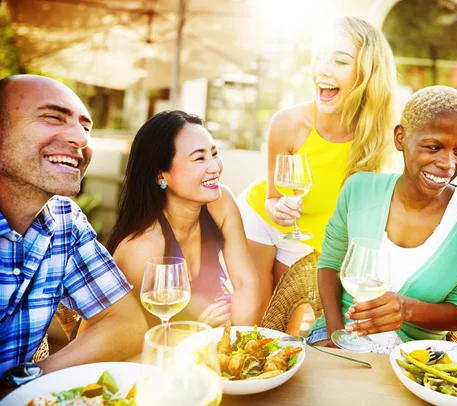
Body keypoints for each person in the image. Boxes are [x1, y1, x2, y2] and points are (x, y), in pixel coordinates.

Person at [238, 16, 398, 332]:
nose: (322, 70)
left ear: (366, 74)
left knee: (294, 334)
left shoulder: (382, 136)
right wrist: (278, 208)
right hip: (267, 223)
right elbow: (272, 197)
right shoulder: (288, 124)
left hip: (321, 240)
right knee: (257, 321)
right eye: (318, 58)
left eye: (340, 61)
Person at [310, 86, 457, 353]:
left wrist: (407, 310)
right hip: (338, 330)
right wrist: (335, 334)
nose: (447, 163)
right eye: (434, 147)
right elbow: (330, 263)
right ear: (401, 138)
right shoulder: (360, 189)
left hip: (413, 353)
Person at [0, 75, 147, 383]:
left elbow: (127, 324)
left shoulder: (65, 219)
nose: (81, 138)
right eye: (53, 117)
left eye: (86, 127)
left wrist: (25, 382)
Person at [107, 110, 261, 328]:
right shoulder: (142, 249)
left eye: (214, 154)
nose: (215, 167)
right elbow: (130, 336)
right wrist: (194, 332)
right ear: (161, 175)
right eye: (199, 158)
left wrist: (241, 345)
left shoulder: (221, 202)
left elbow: (246, 283)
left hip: (209, 347)